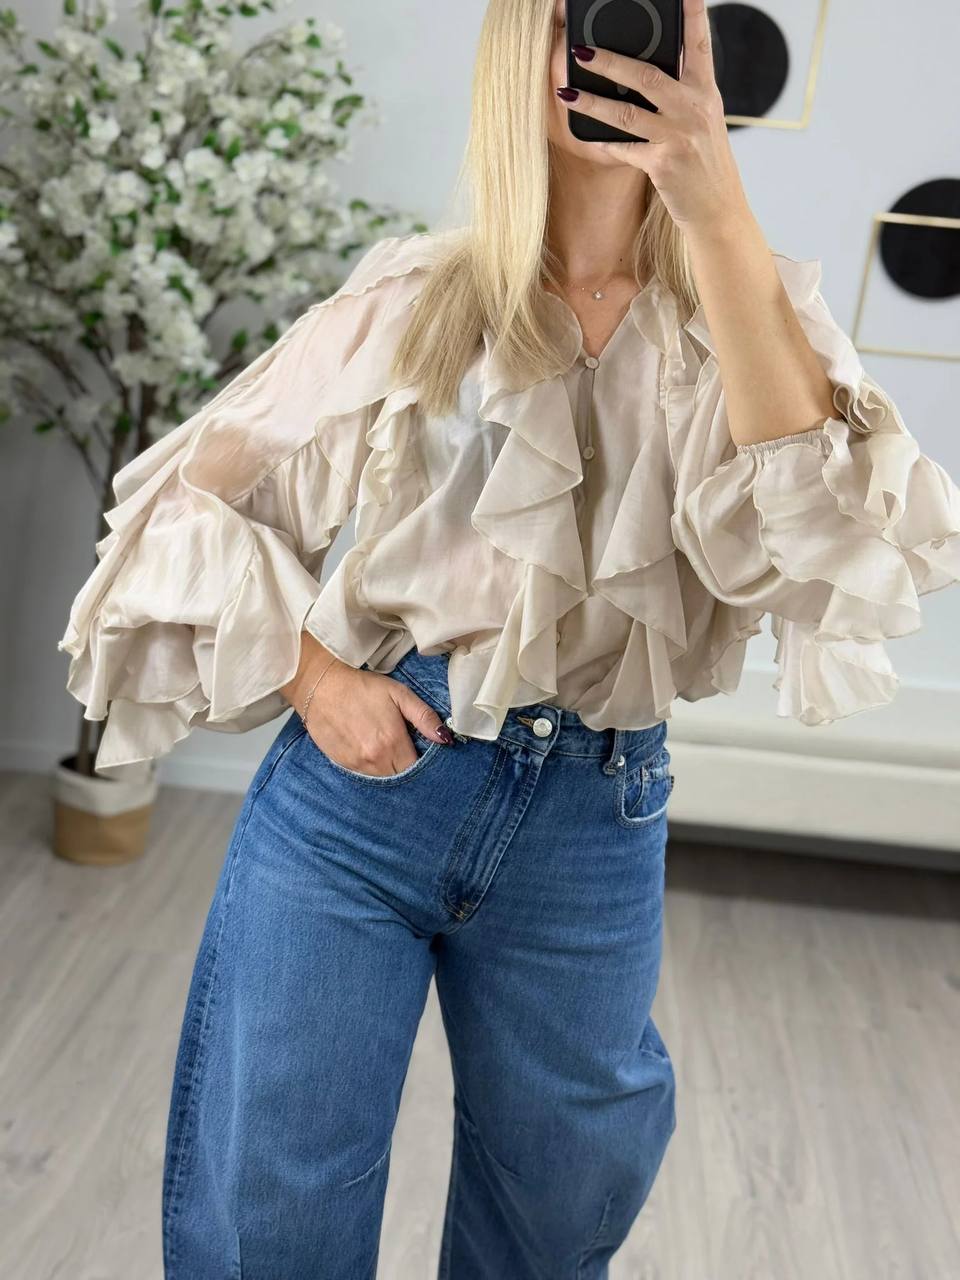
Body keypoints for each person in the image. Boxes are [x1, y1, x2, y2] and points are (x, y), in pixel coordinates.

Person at [57, 1, 960, 1276]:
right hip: (362, 802)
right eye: (572, 21)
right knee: (274, 1209)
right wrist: (315, 679)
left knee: (555, 1215)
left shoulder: (747, 313)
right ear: (517, 51)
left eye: (635, 25)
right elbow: (177, 508)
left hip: (597, 816)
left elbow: (824, 543)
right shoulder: (418, 298)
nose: (601, 57)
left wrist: (715, 206)